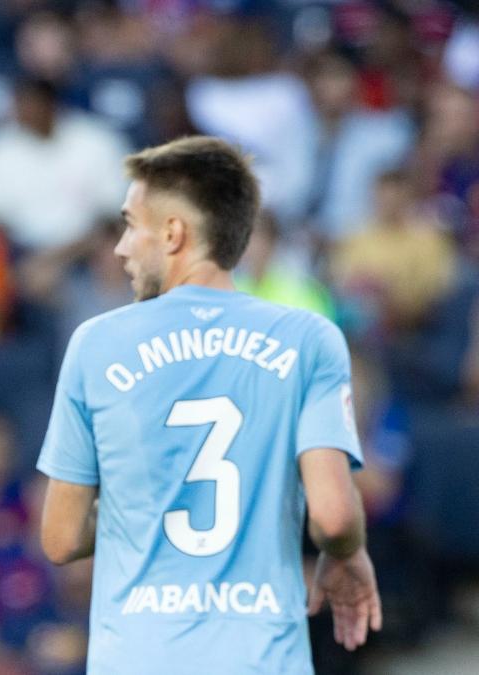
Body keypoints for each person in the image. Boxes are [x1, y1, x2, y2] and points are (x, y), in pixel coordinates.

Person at [36, 136, 381, 674]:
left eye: (131, 224)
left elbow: (60, 538)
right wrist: (346, 554)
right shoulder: (309, 338)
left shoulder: (96, 344)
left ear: (173, 234)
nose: (120, 247)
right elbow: (334, 517)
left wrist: (137, 510)